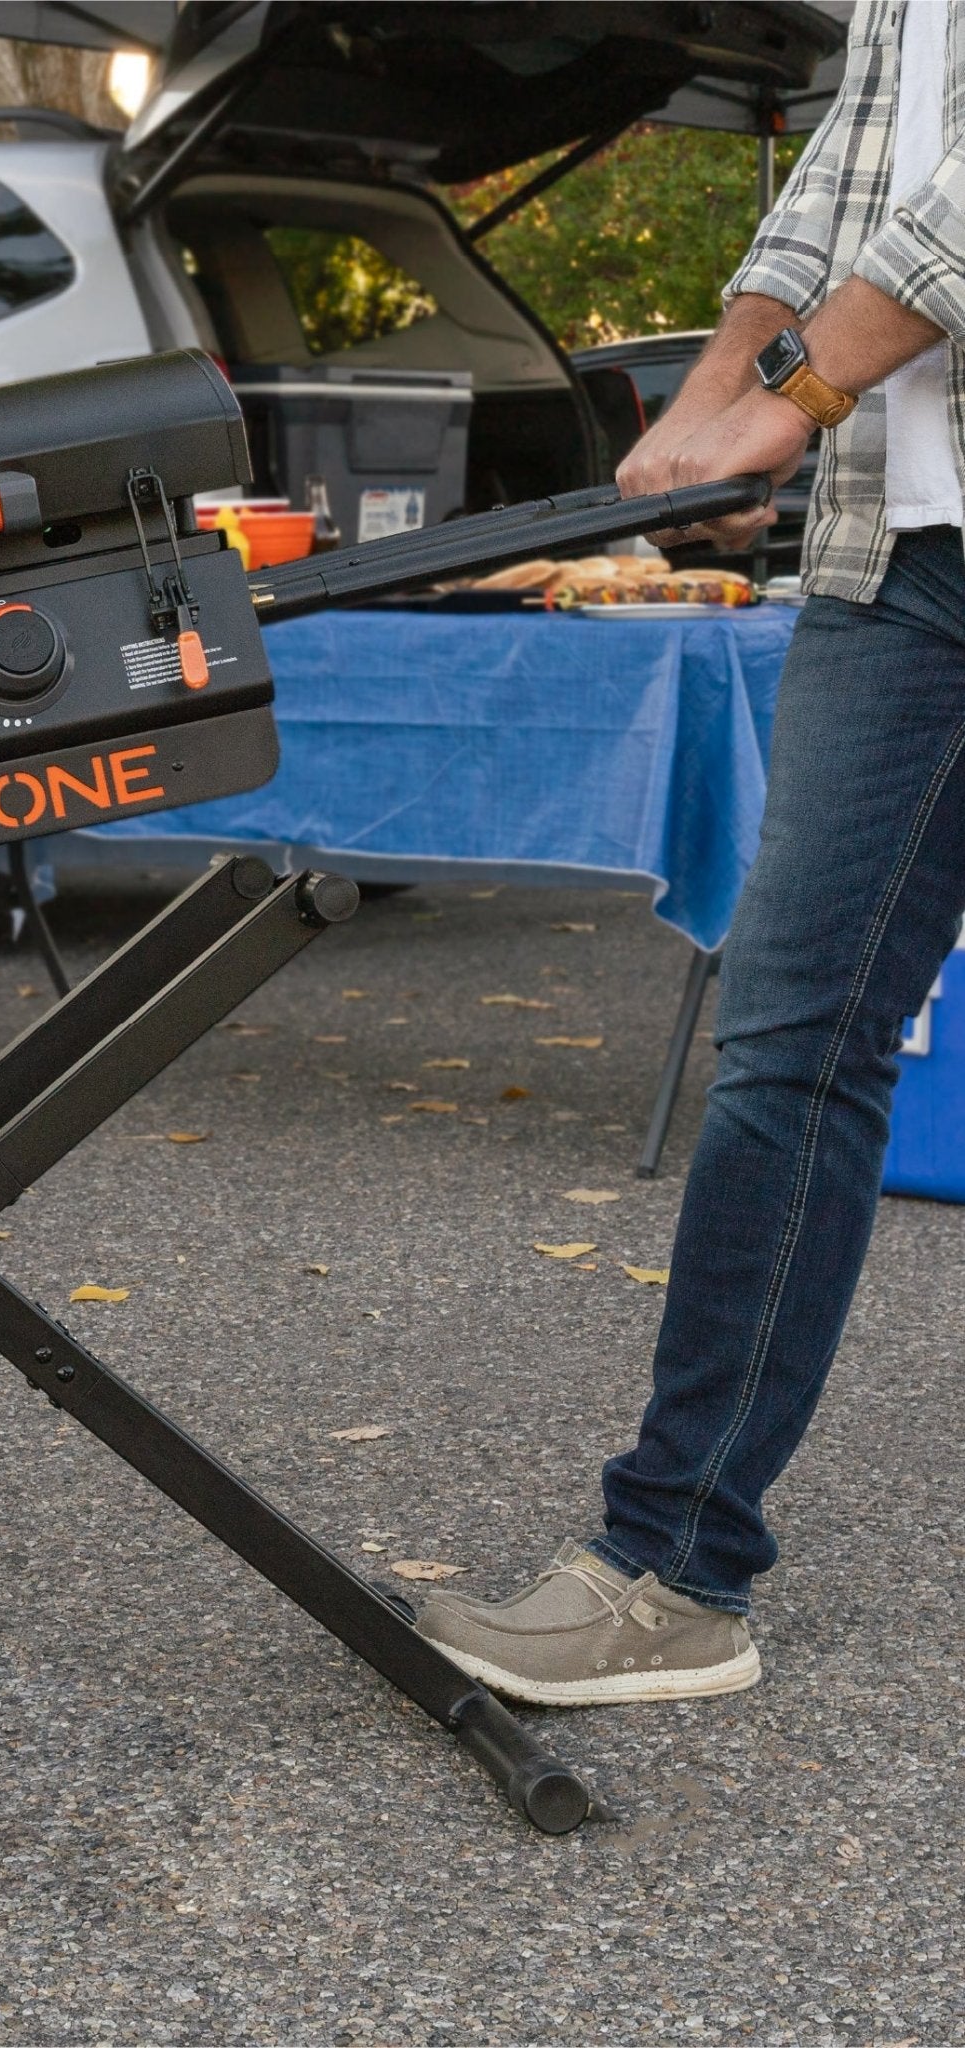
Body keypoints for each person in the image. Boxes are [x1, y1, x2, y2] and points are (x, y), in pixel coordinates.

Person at [417, 0, 965, 1706]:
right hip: (903, 560)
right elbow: (848, 168)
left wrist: (797, 392)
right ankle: (671, 1568)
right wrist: (714, 395)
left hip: (873, 461)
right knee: (792, 1041)